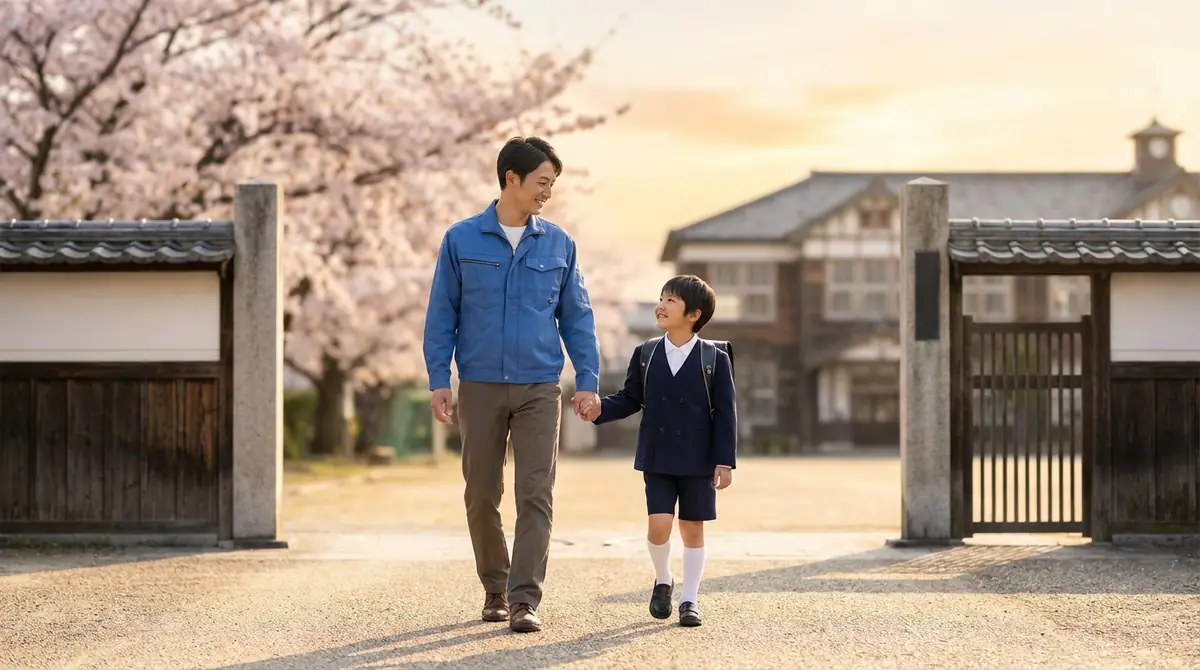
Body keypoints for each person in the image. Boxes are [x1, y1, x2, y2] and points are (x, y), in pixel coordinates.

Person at [422, 136, 601, 634]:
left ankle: (524, 598)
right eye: (542, 182)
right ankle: (495, 588)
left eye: (552, 184)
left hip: (541, 387)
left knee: (535, 492)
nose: (548, 192)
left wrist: (586, 380)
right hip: (478, 385)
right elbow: (442, 313)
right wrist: (440, 379)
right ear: (511, 179)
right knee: (481, 493)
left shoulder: (560, 244)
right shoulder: (461, 240)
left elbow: (578, 318)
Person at [581, 274, 736, 627]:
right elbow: (631, 398)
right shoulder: (646, 352)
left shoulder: (714, 357)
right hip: (658, 454)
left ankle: (689, 599)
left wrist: (724, 461)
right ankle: (663, 578)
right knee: (658, 524)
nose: (661, 305)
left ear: (694, 314)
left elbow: (727, 413)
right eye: (662, 298)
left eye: (671, 300)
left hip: (699, 457)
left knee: (692, 528)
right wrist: (601, 409)